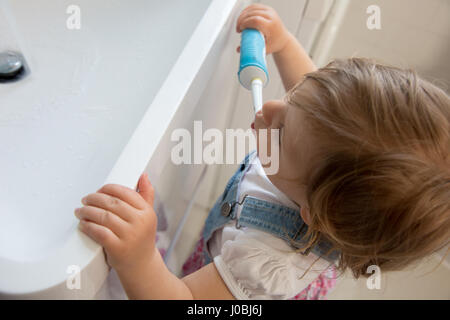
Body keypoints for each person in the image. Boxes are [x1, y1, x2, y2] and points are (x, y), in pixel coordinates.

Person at [74, 4, 450, 299]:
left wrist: (138, 259)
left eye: (283, 131)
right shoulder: (317, 156)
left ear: (310, 211)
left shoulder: (264, 260)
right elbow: (311, 103)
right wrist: (284, 44)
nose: (268, 109)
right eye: (295, 99)